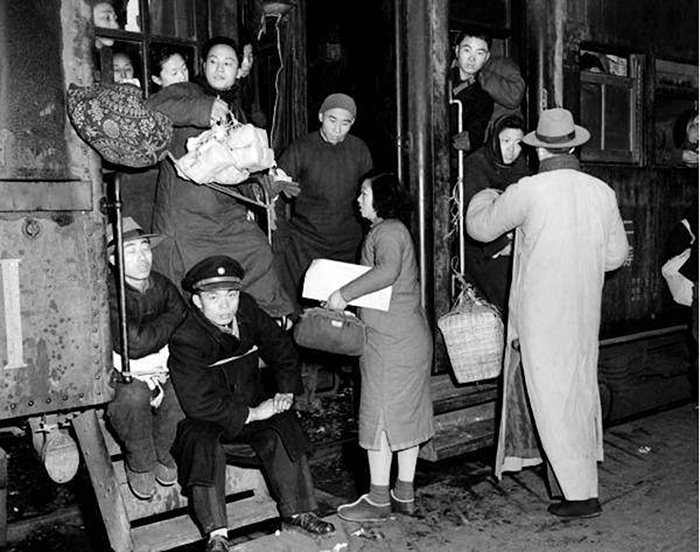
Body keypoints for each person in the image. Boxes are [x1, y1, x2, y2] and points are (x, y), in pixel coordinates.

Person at [467, 108, 629, 519]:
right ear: (573, 147)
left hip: (541, 315)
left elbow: (480, 228)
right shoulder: (601, 191)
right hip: (583, 309)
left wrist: (484, 196)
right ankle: (573, 485)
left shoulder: (528, 189)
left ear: (539, 151)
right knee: (577, 394)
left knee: (552, 400)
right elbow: (615, 256)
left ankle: (580, 496)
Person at [168, 256, 335, 552]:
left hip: (251, 411)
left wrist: (285, 391)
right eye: (213, 298)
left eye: (231, 295)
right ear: (197, 301)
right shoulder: (187, 338)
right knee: (202, 441)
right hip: (210, 420)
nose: (225, 306)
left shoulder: (246, 310)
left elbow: (281, 347)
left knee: (284, 424)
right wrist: (255, 413)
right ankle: (216, 534)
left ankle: (299, 512)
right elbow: (198, 404)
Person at [146, 36, 295, 319]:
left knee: (258, 251)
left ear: (239, 69)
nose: (219, 68)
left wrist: (265, 187)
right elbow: (150, 109)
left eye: (228, 63)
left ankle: (266, 323)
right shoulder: (186, 91)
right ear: (203, 65)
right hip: (187, 215)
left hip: (225, 213)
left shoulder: (236, 110)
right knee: (200, 277)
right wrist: (203, 109)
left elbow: (238, 172)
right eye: (213, 61)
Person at [327, 172, 434, 522]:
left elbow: (387, 271)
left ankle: (377, 499)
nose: (358, 200)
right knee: (406, 417)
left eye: (364, 193)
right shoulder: (397, 230)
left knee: (381, 419)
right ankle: (404, 493)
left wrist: (343, 295)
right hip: (408, 339)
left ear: (382, 199)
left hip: (390, 343)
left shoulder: (386, 231)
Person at [105, 217, 187, 500]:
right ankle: (139, 460)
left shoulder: (161, 284)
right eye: (131, 251)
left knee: (186, 387)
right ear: (113, 260)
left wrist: (155, 332)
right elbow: (135, 345)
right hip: (123, 371)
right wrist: (170, 322)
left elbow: (184, 315)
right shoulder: (110, 293)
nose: (142, 258)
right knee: (131, 398)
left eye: (145, 248)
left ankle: (162, 450)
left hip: (161, 366)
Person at [274, 93, 373, 307]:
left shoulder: (359, 150)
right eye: (332, 120)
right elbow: (275, 192)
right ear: (321, 116)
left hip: (349, 243)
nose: (337, 129)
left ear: (352, 123)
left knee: (343, 309)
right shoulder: (301, 148)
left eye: (345, 123)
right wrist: (279, 232)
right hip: (306, 242)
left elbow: (371, 197)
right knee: (307, 309)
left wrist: (372, 234)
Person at [464, 114, 530, 314]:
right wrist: (501, 246)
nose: (512, 149)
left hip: (510, 242)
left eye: (518, 143)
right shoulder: (476, 165)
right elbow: (475, 217)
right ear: (494, 139)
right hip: (480, 247)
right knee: (506, 291)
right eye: (506, 141)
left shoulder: (520, 166)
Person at [449, 29, 495, 154]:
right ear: (457, 50)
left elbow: (473, 138)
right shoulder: (436, 79)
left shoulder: (483, 100)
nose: (472, 58)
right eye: (467, 50)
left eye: (479, 53)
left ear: (487, 57)